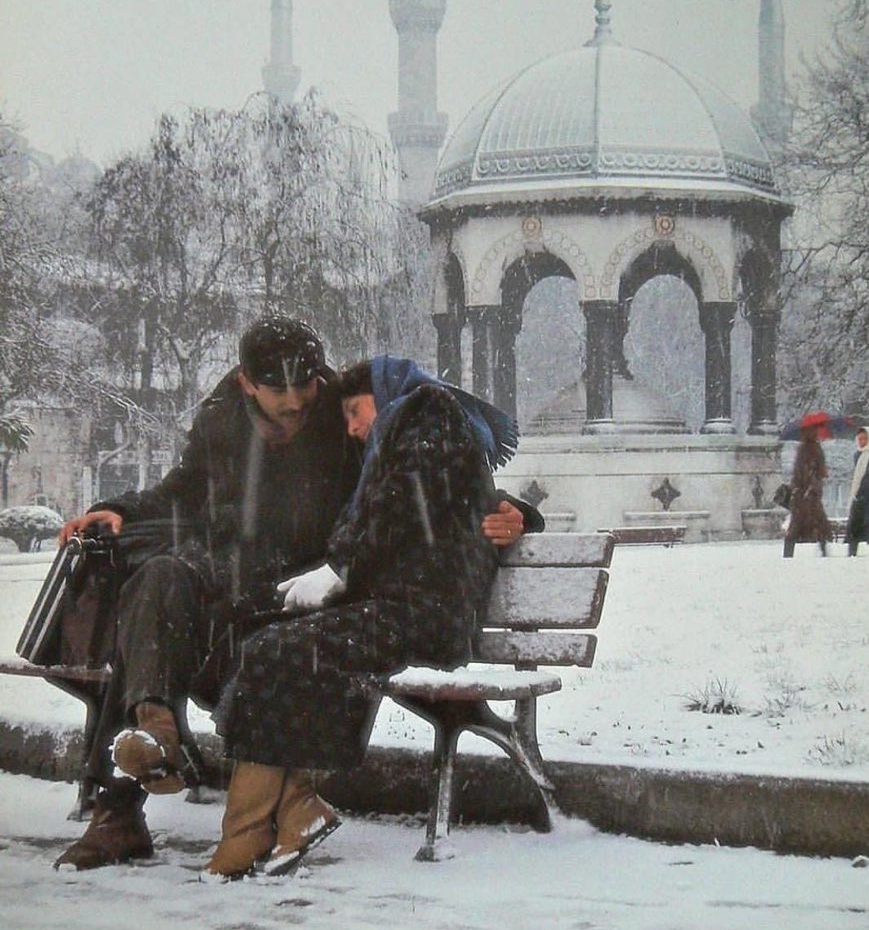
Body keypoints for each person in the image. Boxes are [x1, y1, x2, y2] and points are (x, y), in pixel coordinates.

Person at [52, 320, 537, 871]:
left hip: (311, 583)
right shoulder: (222, 420)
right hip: (235, 570)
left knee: (185, 628)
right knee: (156, 583)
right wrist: (123, 509)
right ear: (246, 384)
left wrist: (519, 513)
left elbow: (423, 475)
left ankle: (172, 798)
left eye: (303, 385)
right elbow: (182, 490)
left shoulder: (343, 411)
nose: (294, 401)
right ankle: (146, 751)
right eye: (277, 389)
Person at [204, 355, 522, 879]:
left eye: (354, 411)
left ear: (383, 387)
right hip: (397, 609)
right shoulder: (400, 434)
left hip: (429, 615)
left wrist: (340, 568)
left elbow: (402, 499)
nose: (353, 429)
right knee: (269, 642)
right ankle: (287, 815)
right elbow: (390, 505)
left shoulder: (429, 410)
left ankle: (252, 832)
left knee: (280, 649)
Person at [783, 419, 832, 558]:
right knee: (816, 523)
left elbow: (802, 472)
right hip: (809, 494)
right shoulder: (813, 448)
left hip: (804, 493)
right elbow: (811, 472)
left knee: (798, 524)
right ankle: (823, 550)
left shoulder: (805, 448)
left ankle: (788, 553)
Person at [845, 426, 869, 556]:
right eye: (859, 439)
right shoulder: (858, 455)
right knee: (854, 523)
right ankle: (852, 552)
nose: (862, 441)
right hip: (859, 494)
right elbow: (857, 476)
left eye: (865, 438)